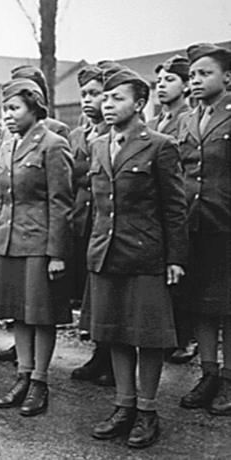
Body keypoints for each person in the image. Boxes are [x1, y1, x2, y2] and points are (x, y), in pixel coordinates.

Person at [86, 69, 187, 448]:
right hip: (106, 253)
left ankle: (147, 411)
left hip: (145, 254)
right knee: (114, 334)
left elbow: (174, 207)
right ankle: (123, 406)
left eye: (118, 98)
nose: (107, 105)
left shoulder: (160, 145)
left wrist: (175, 258)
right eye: (105, 98)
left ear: (139, 104)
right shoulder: (98, 145)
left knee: (148, 337)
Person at [0, 78, 73, 417]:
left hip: (39, 243)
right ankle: (23, 375)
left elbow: (61, 204)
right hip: (9, 241)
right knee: (18, 313)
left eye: (14, 108)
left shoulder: (53, 144)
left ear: (34, 108)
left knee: (41, 315)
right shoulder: (7, 144)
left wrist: (57, 253)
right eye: (5, 109)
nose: (7, 115)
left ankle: (40, 381)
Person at [177, 43, 231, 416]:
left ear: (227, 77)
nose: (196, 80)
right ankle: (208, 373)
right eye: (192, 75)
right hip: (193, 226)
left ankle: (229, 378)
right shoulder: (185, 120)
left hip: (226, 227)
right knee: (201, 305)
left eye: (204, 73)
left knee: (229, 307)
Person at [146, 55, 196, 365]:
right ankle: (166, 332)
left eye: (170, 80)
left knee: (183, 273)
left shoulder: (189, 119)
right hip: (155, 206)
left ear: (186, 85)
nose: (162, 86)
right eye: (159, 81)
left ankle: (186, 336)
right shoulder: (153, 124)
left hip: (185, 203)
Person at [68, 65, 114, 387]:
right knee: (92, 292)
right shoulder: (77, 135)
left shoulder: (113, 135)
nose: (88, 99)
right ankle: (100, 354)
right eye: (84, 94)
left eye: (95, 93)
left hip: (106, 221)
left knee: (108, 293)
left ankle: (111, 359)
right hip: (83, 221)